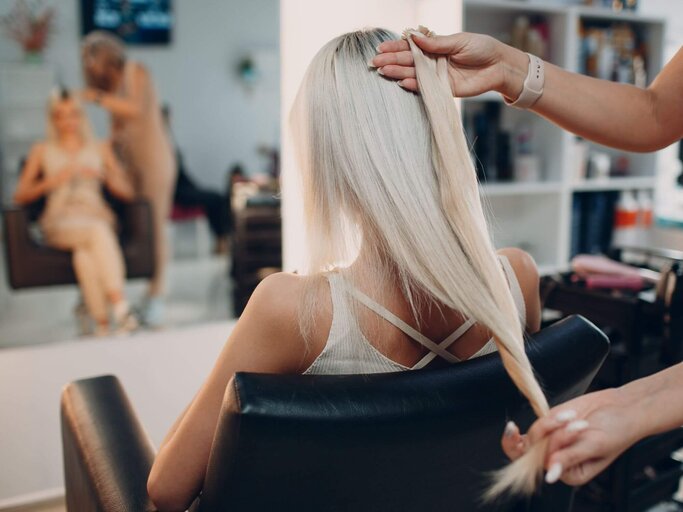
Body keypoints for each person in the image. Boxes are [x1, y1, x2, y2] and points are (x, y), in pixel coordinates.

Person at [147, 28, 547, 511]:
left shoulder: (291, 310)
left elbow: (166, 490)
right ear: (436, 129)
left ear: (329, 159)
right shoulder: (516, 278)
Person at [371, 30, 683, 486]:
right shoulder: (516, 272)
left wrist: (635, 407)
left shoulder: (280, 308)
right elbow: (656, 113)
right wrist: (508, 68)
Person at [14, 90, 137, 336]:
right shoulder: (42, 150)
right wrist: (53, 180)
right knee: (96, 232)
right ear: (54, 119)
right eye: (61, 116)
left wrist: (104, 176)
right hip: (60, 221)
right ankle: (121, 307)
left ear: (81, 117)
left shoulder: (100, 148)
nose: (68, 121)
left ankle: (102, 324)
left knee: (85, 254)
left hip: (94, 213)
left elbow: (128, 192)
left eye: (73, 115)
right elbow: (20, 195)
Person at [80, 30, 176, 327]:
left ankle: (157, 296)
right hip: (131, 167)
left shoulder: (135, 70)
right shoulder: (109, 90)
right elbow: (117, 130)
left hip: (155, 162)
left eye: (94, 59)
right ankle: (103, 295)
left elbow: (135, 109)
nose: (92, 67)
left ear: (107, 55)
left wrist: (96, 98)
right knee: (127, 226)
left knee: (155, 227)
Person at [162, 105, 231, 254]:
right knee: (215, 198)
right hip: (177, 193)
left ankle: (223, 238)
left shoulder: (168, 140)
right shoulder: (160, 145)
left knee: (217, 196)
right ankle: (221, 239)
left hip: (186, 187)